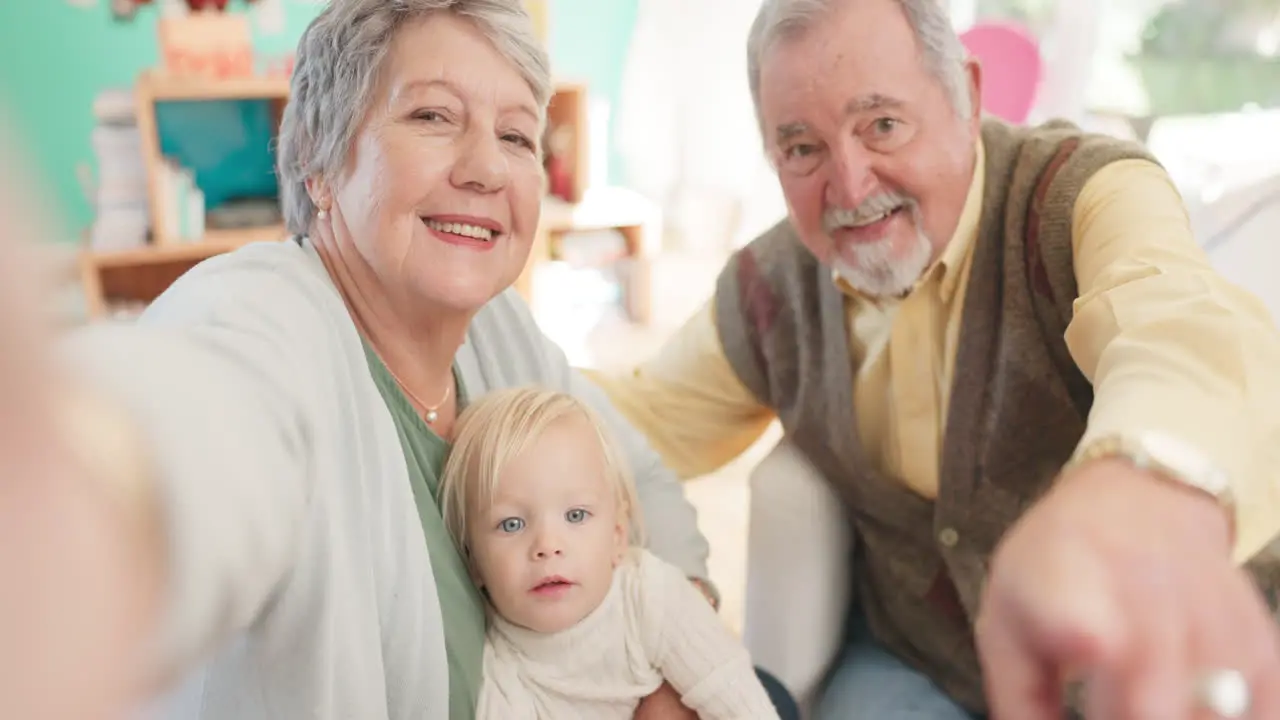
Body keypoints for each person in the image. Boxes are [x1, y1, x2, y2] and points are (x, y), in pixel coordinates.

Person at [0, 1, 744, 718]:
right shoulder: (259, 317)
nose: (487, 166)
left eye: (517, 136)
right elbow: (192, 434)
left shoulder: (498, 331)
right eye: (432, 116)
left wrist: (672, 669)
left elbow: (636, 477)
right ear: (319, 162)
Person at [587, 0, 1280, 717]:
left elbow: (1175, 323)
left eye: (882, 125)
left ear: (968, 96)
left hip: (1162, 665)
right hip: (929, 665)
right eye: (802, 148)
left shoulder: (1081, 193)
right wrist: (472, 358)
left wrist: (1146, 482)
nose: (851, 187)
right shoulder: (772, 288)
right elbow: (635, 421)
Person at [439, 386, 783, 719]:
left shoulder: (650, 596)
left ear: (618, 536)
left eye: (576, 516)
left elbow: (740, 702)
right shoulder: (494, 673)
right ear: (474, 562)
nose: (547, 545)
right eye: (511, 524)